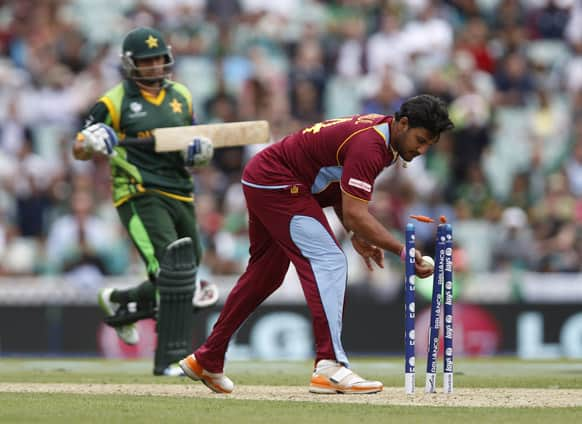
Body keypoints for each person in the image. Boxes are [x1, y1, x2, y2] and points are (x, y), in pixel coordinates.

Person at [178, 94, 454, 393]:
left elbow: (337, 187)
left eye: (430, 144)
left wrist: (354, 233)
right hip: (278, 182)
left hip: (267, 179)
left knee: (265, 275)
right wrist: (402, 250)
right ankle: (329, 364)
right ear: (403, 123)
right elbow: (355, 212)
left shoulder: (382, 140)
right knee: (330, 260)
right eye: (421, 139)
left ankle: (208, 358)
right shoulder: (371, 145)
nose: (423, 149)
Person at [72, 27, 219, 376]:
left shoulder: (181, 95)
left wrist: (199, 154)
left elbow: (191, 145)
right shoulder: (114, 101)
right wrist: (91, 141)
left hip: (180, 190)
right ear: (130, 64)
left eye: (157, 59)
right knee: (172, 268)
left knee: (188, 267)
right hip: (138, 191)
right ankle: (171, 360)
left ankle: (120, 303)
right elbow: (78, 147)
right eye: (145, 60)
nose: (153, 66)